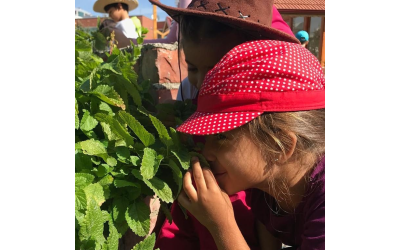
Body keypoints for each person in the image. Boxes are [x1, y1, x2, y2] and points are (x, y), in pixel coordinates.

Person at [149, 0, 305, 249]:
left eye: (216, 68)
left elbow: (266, 200)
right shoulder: (192, 89)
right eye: (192, 67)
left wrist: (222, 225)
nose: (202, 80)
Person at [175, 39, 325, 249]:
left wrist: (222, 225)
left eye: (222, 137)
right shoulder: (266, 188)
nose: (206, 152)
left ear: (280, 144)